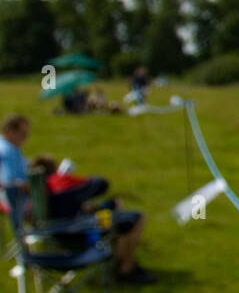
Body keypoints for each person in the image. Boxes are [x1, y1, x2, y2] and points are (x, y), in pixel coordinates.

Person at [1, 114, 155, 283]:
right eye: (23, 135)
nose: (25, 139)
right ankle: (125, 268)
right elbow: (11, 184)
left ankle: (123, 263)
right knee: (128, 217)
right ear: (9, 131)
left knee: (108, 210)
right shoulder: (7, 151)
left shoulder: (13, 151)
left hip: (56, 221)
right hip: (71, 227)